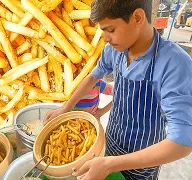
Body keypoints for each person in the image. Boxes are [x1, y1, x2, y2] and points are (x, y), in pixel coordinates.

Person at [45, 0, 192, 179]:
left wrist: (111, 164)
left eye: (111, 30)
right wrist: (65, 108)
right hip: (111, 142)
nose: (106, 38)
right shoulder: (114, 51)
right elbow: (92, 77)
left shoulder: (174, 63)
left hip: (143, 158)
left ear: (137, 17)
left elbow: (182, 142)